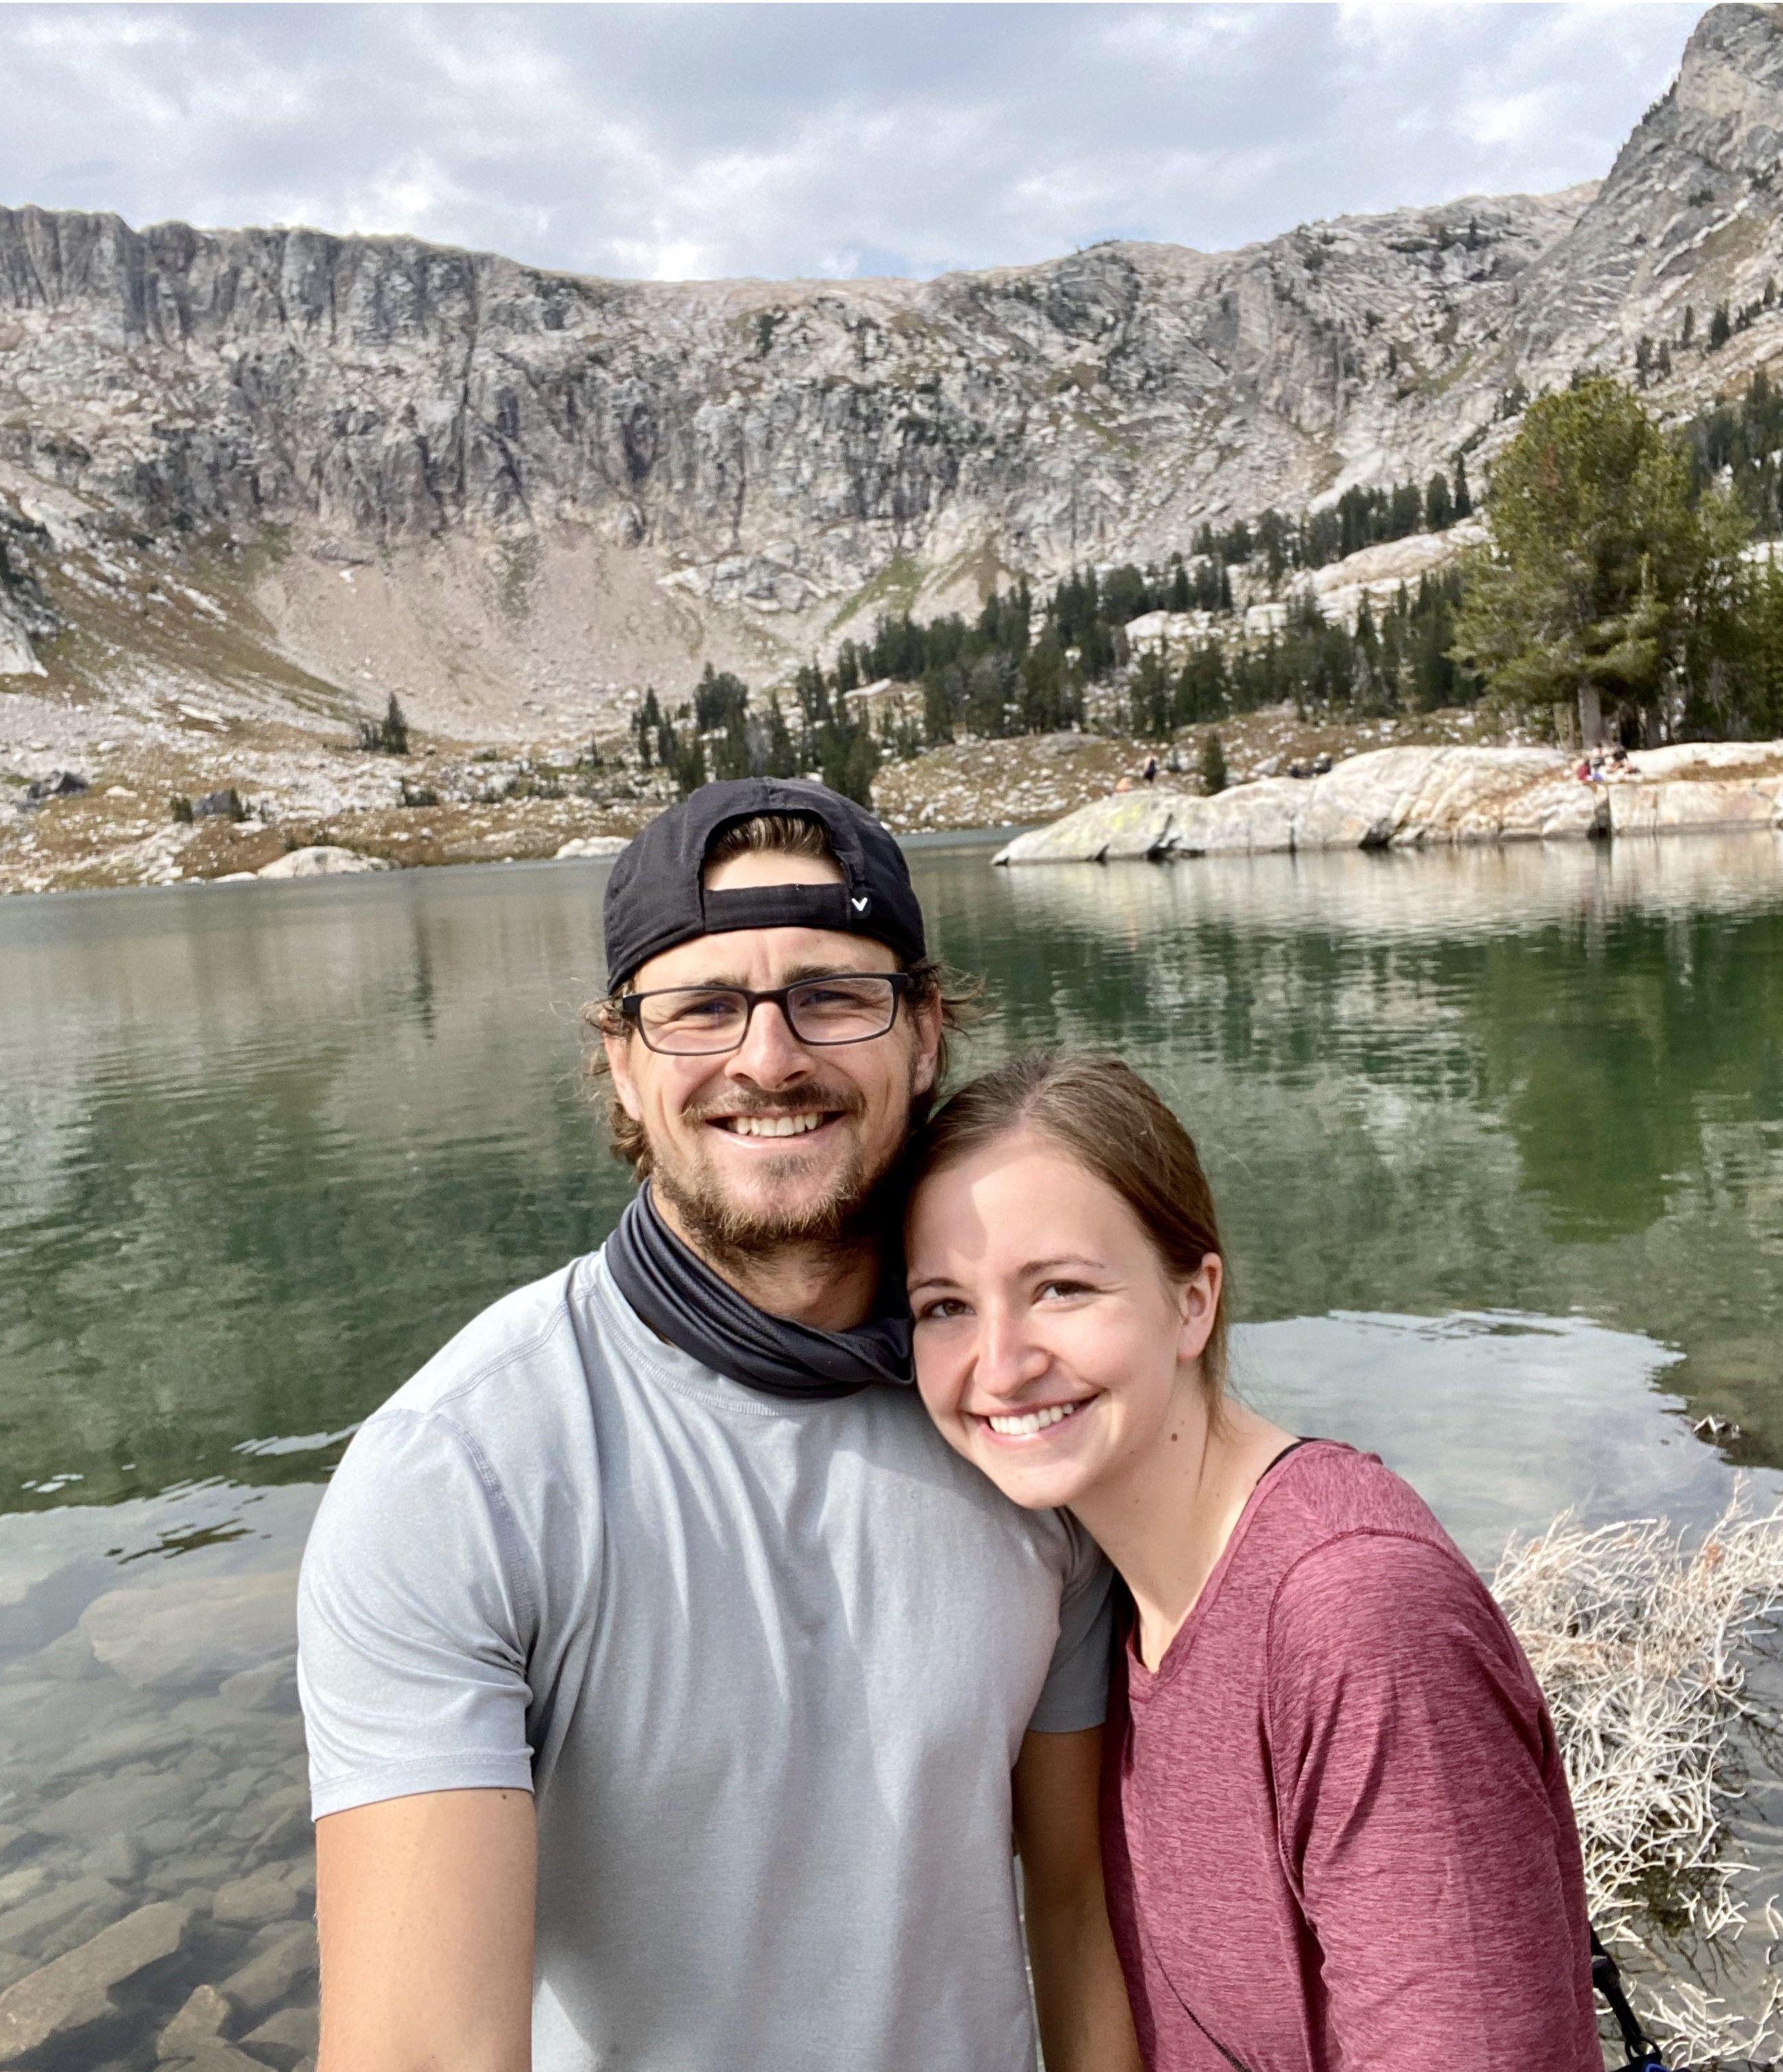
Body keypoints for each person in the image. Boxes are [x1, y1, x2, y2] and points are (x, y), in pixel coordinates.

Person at [296, 782, 1138, 2072]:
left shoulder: (1026, 1421)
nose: (768, 1058)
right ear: (622, 1067)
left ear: (923, 1038)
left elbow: (1079, 1913)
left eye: (834, 994)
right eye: (698, 1009)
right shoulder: (462, 1475)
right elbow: (420, 2050)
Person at [903, 1053, 1603, 2072]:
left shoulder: (1356, 1614)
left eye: (1060, 1289)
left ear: (1194, 1301)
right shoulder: (1097, 1594)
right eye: (945, 1307)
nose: (1000, 1365)